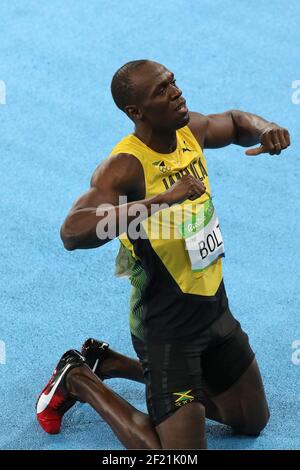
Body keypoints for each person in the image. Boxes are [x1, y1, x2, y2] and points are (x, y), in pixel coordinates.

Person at [36, 60, 290, 449]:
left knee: (252, 420)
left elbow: (237, 122)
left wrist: (265, 127)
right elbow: (74, 231)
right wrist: (159, 200)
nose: (176, 92)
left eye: (172, 82)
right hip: (166, 328)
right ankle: (79, 378)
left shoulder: (190, 131)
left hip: (214, 310)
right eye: (161, 90)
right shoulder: (125, 167)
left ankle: (113, 364)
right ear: (135, 112)